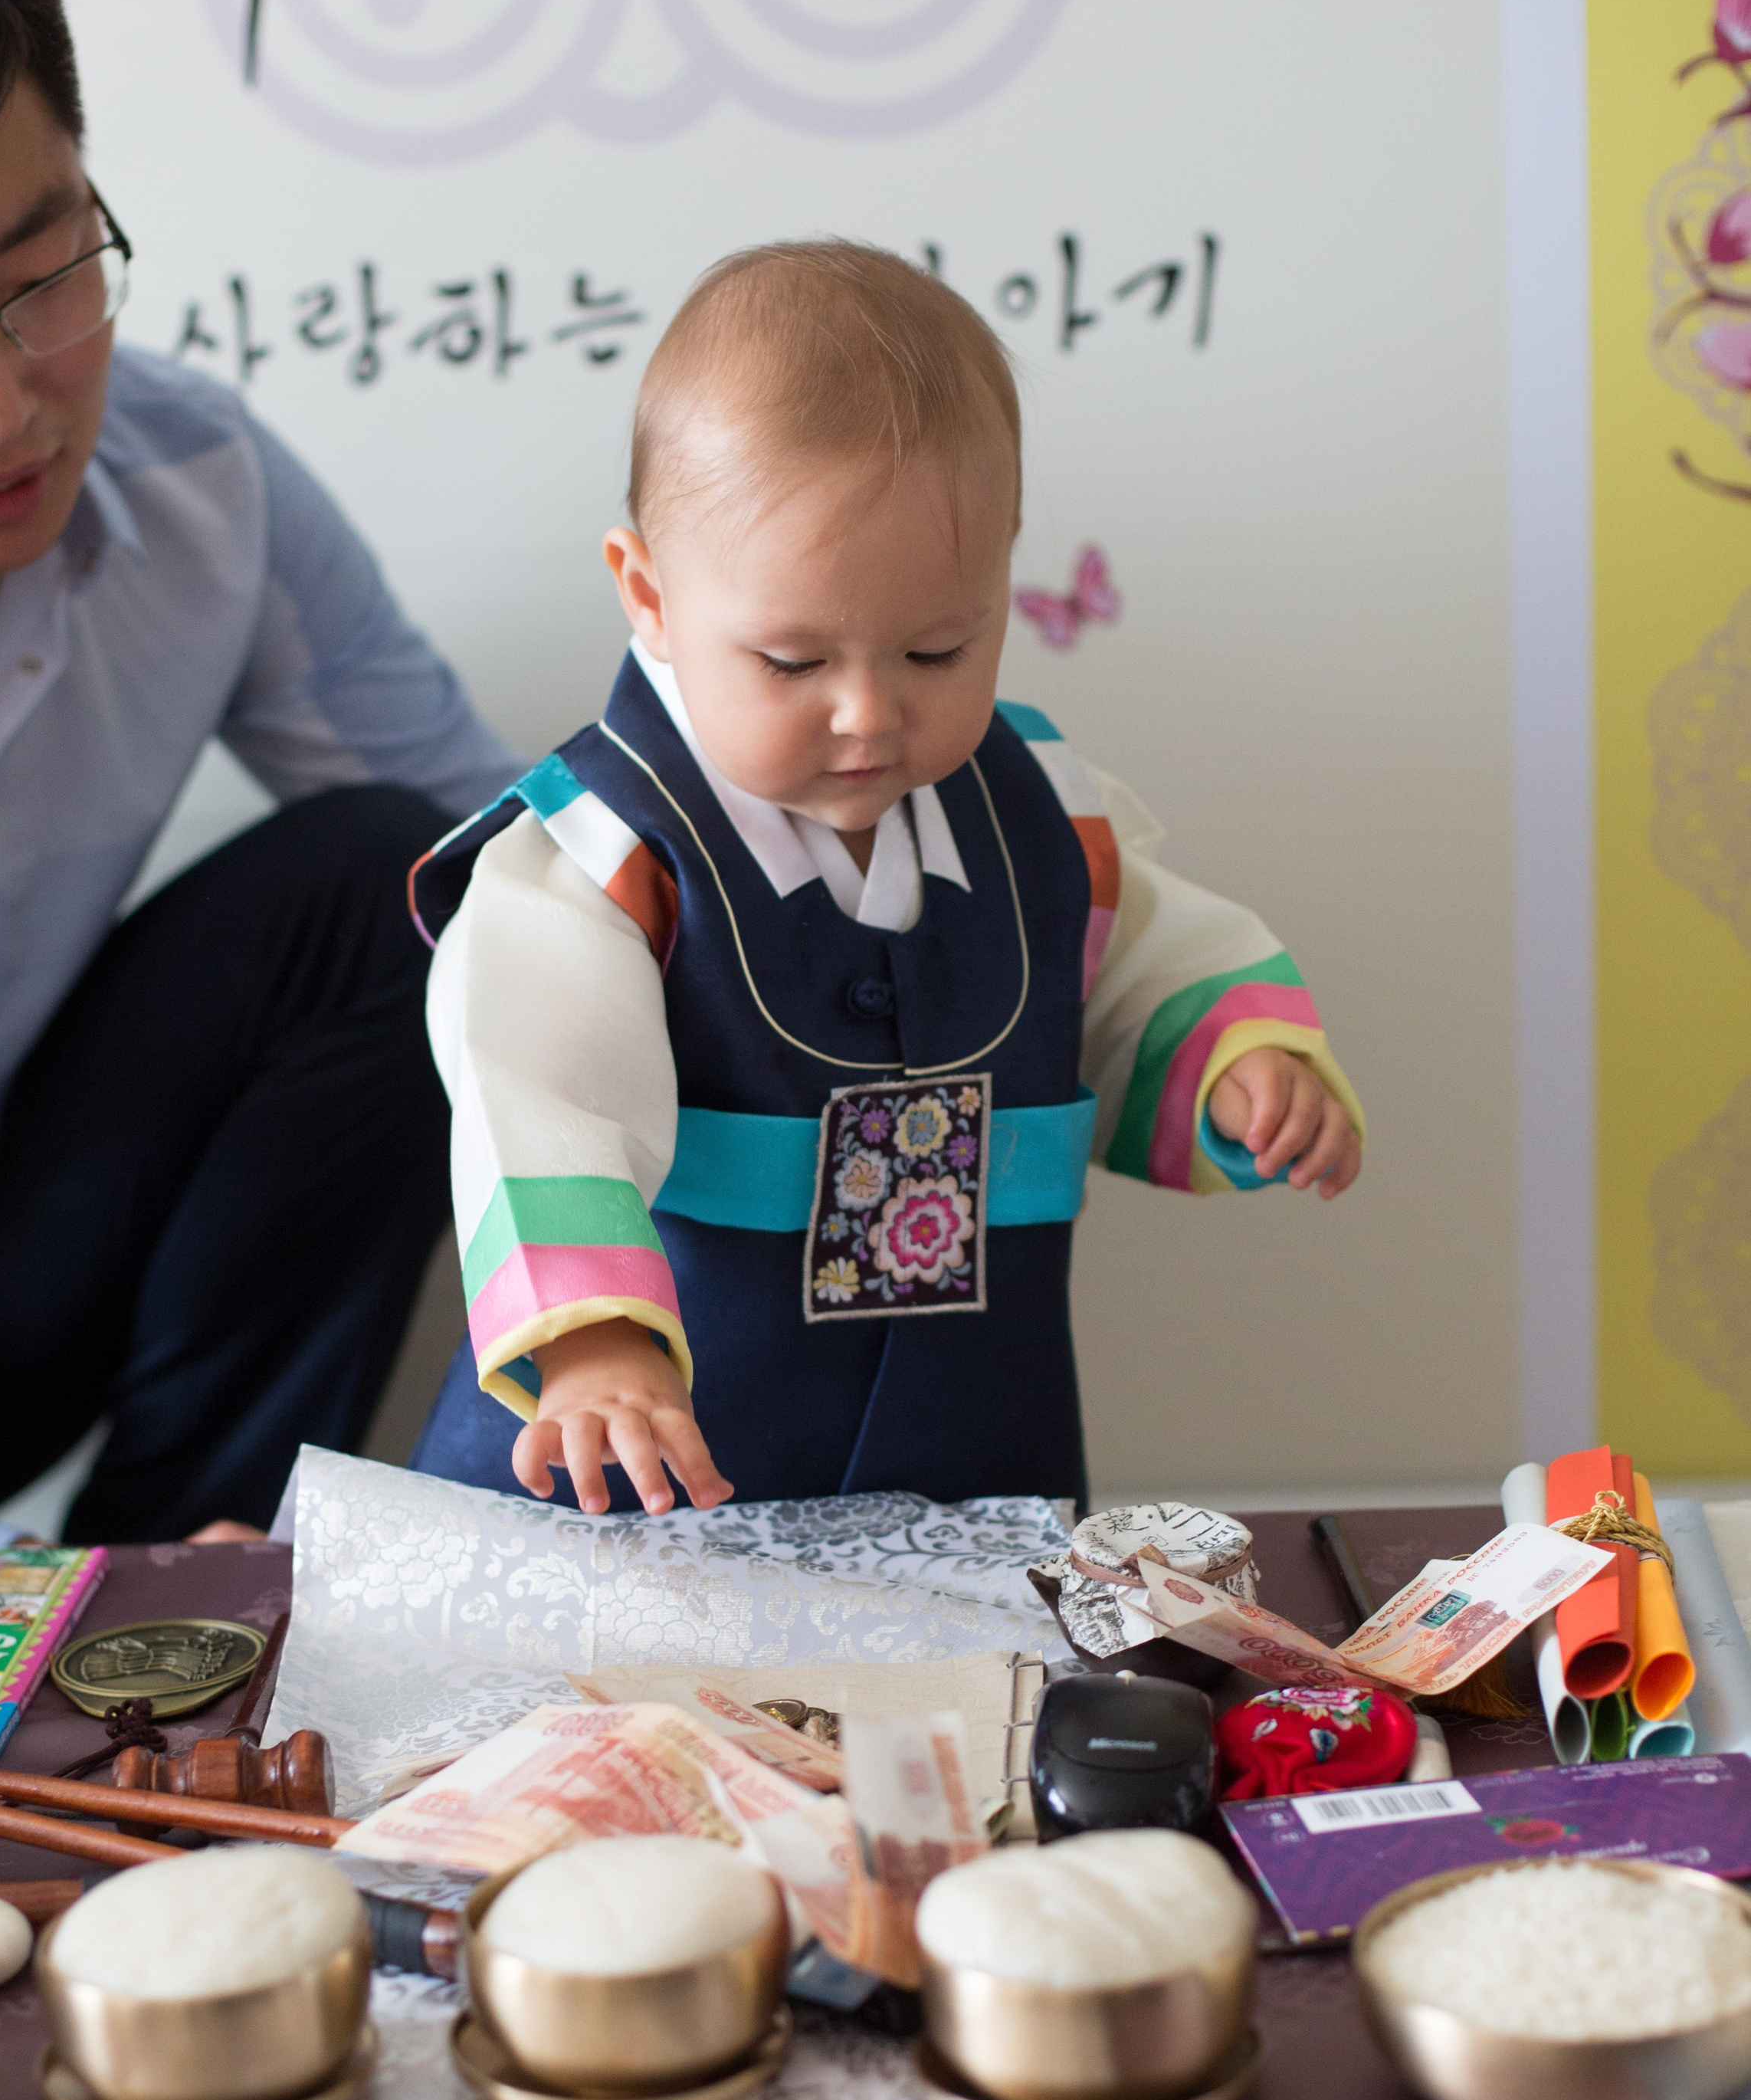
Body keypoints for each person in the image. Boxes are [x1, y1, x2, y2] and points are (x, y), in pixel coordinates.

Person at [407, 241, 1363, 1518]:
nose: (869, 714)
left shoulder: (1039, 813)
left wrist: (1239, 1067)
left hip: (967, 1443)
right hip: (658, 1453)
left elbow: (1141, 970)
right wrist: (593, 1345)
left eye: (935, 647)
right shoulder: (600, 860)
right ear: (650, 595)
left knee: (985, 1701)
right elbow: (537, 1096)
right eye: (793, 662)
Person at [0, 0, 519, 1541]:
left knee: (405, 889)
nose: (4, 401)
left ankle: (184, 1617)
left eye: (47, 275)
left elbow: (535, 866)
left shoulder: (193, 484)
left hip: (2, 1272)